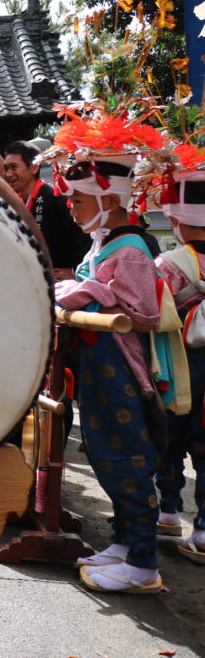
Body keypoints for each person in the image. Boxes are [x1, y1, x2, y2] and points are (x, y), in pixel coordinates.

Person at [47, 122, 168, 593]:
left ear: (110, 201)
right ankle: (123, 542)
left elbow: (145, 314)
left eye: (78, 199)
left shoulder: (132, 248)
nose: (71, 206)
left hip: (120, 364)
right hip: (99, 363)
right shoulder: (104, 244)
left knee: (125, 455)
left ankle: (143, 562)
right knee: (104, 453)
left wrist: (88, 292)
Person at [152, 154, 205, 563]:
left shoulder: (171, 263)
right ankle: (203, 529)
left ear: (178, 219)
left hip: (179, 362)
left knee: (168, 438)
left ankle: (168, 511)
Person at [0, 128, 90, 280]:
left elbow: (83, 235)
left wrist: (74, 272)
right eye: (6, 169)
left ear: (34, 167)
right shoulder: (17, 202)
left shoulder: (56, 198)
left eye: (14, 167)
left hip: (61, 285)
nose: (8, 174)